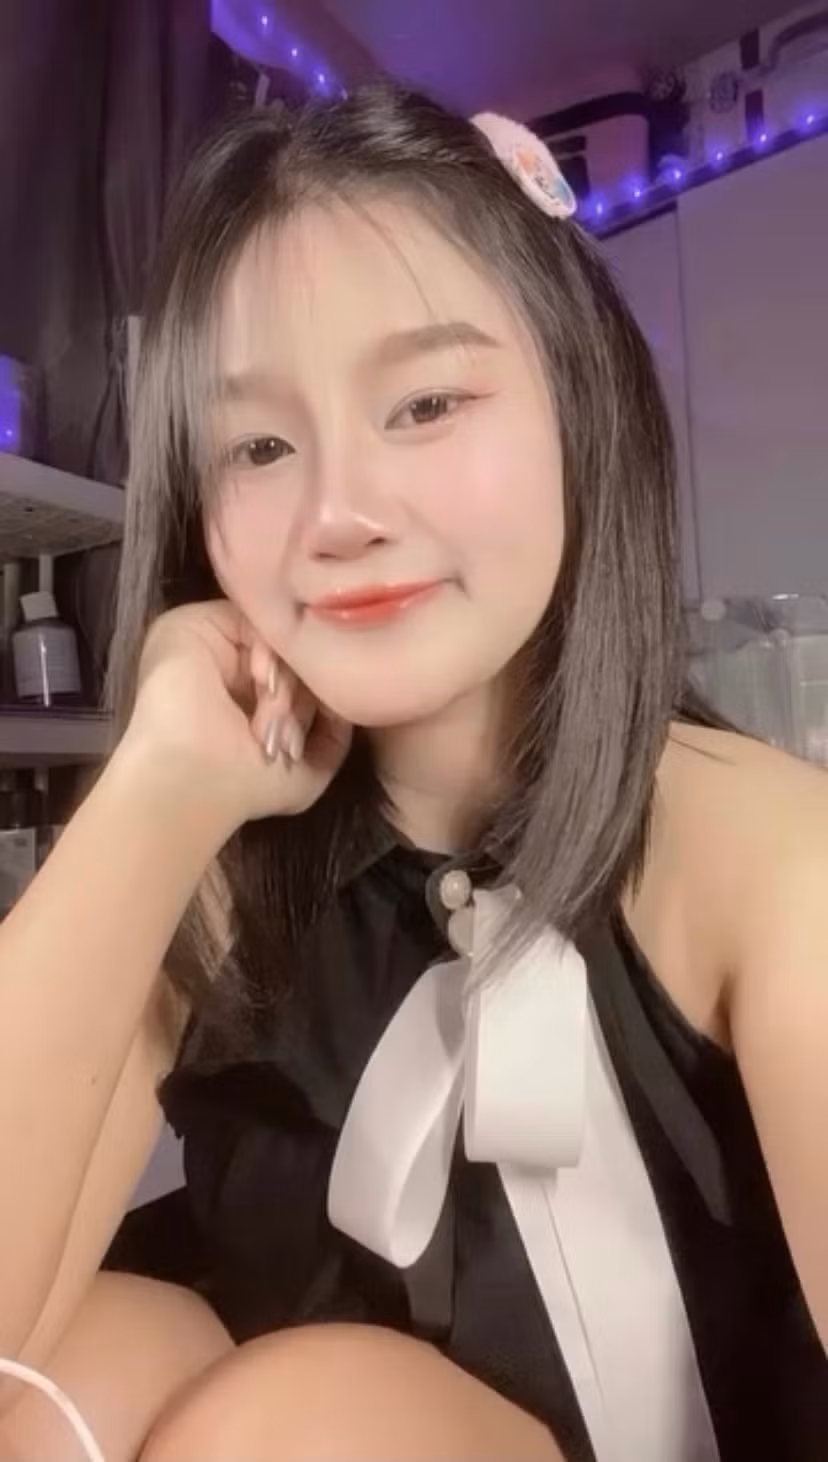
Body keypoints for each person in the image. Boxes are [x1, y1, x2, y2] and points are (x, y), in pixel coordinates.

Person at [0, 82, 825, 1462]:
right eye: (261, 446)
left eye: (427, 401)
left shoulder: (769, 859)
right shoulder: (219, 866)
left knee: (288, 1424)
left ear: (580, 404)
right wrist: (153, 793)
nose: (338, 514)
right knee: (68, 1377)